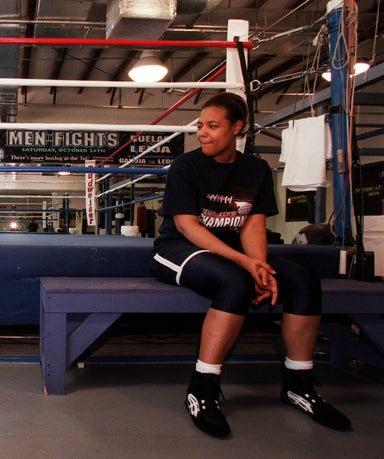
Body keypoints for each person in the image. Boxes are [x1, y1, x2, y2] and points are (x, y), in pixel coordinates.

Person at [150, 92, 351, 438]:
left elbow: (253, 224)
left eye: (213, 126)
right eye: (201, 125)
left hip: (232, 251)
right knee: (234, 282)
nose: (203, 133)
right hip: (179, 248)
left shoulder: (255, 169)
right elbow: (187, 225)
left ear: (237, 128)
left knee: (303, 280)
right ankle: (203, 387)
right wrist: (245, 264)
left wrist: (259, 266)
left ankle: (298, 383)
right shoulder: (187, 166)